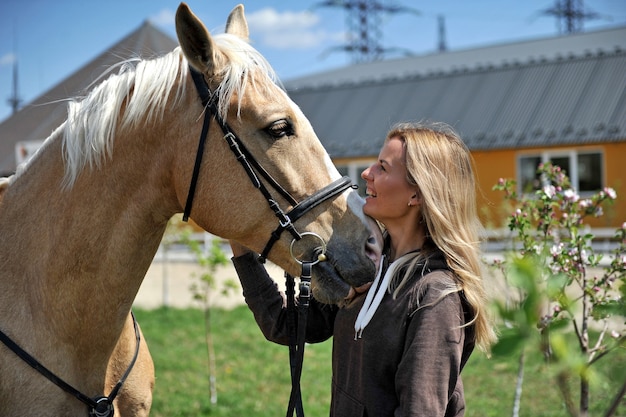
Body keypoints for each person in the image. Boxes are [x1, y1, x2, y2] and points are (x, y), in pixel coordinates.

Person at [230, 121, 497, 416]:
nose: (367, 174)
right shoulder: (367, 267)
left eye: (383, 167)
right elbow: (281, 324)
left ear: (417, 195)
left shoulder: (436, 297)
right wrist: (240, 238)